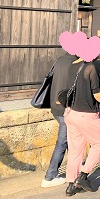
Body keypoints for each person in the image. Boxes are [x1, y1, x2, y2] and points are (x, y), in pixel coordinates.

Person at [63, 59, 100, 197]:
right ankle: (83, 176)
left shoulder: (72, 66)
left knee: (75, 150)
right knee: (99, 144)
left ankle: (71, 186)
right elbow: (97, 94)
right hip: (86, 114)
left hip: (71, 112)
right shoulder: (90, 68)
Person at [41, 52, 77, 188]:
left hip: (55, 107)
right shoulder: (75, 63)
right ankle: (50, 176)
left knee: (70, 139)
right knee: (63, 141)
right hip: (65, 108)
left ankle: (75, 166)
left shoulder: (60, 60)